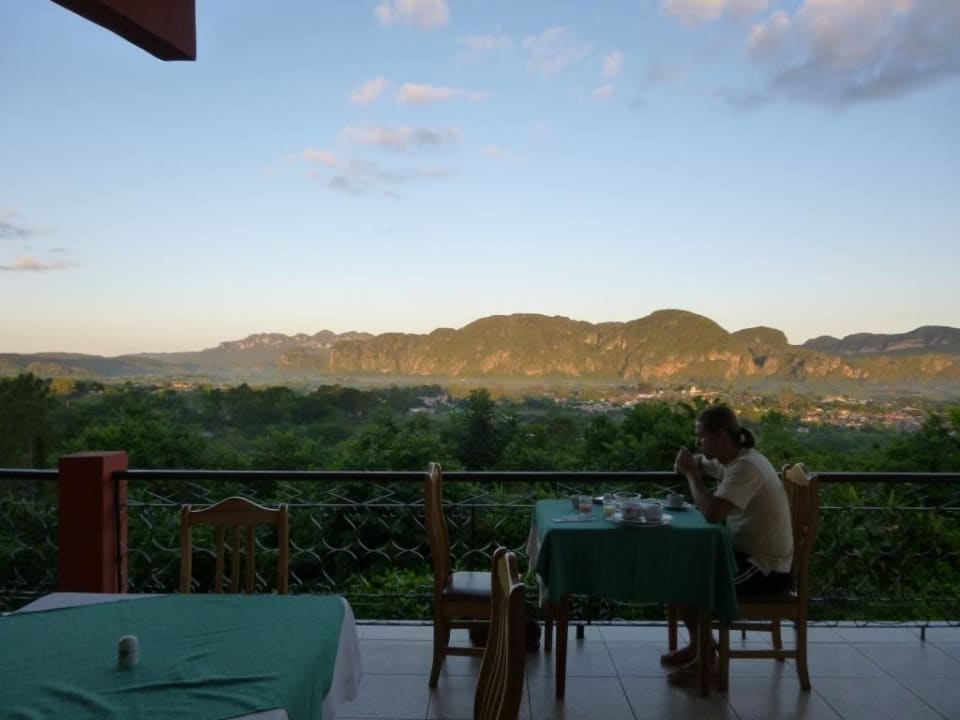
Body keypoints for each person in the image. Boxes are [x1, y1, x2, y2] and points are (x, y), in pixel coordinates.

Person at [661, 404, 793, 684]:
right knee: (676, 572)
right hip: (743, 556)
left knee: (694, 585)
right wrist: (693, 462)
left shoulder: (746, 468)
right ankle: (701, 647)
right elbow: (702, 461)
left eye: (701, 436)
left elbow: (712, 512)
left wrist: (690, 474)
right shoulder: (730, 460)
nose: (698, 441)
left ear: (720, 436)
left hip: (765, 568)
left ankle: (707, 661)